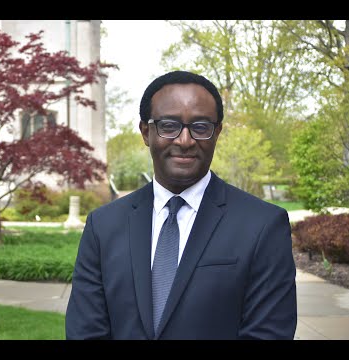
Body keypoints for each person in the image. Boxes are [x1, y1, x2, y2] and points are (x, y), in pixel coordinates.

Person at [65, 70, 297, 340]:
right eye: (169, 125)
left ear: (217, 132)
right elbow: (86, 332)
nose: (184, 141)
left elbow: (268, 334)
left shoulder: (263, 225)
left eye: (200, 127)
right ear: (145, 132)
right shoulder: (103, 226)